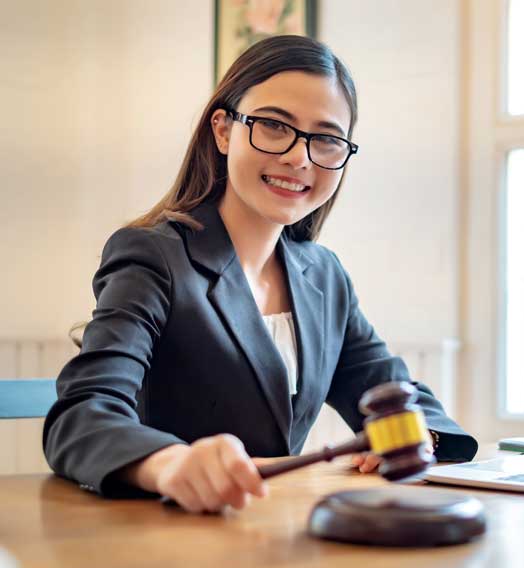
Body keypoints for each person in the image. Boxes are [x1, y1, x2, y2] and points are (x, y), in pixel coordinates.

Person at [42, 35, 478, 514]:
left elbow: (394, 392)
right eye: (273, 126)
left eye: (327, 139)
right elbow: (82, 416)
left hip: (275, 534)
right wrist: (169, 463)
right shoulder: (153, 256)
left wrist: (412, 436)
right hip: (165, 535)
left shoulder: (324, 274)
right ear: (224, 131)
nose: (299, 157)